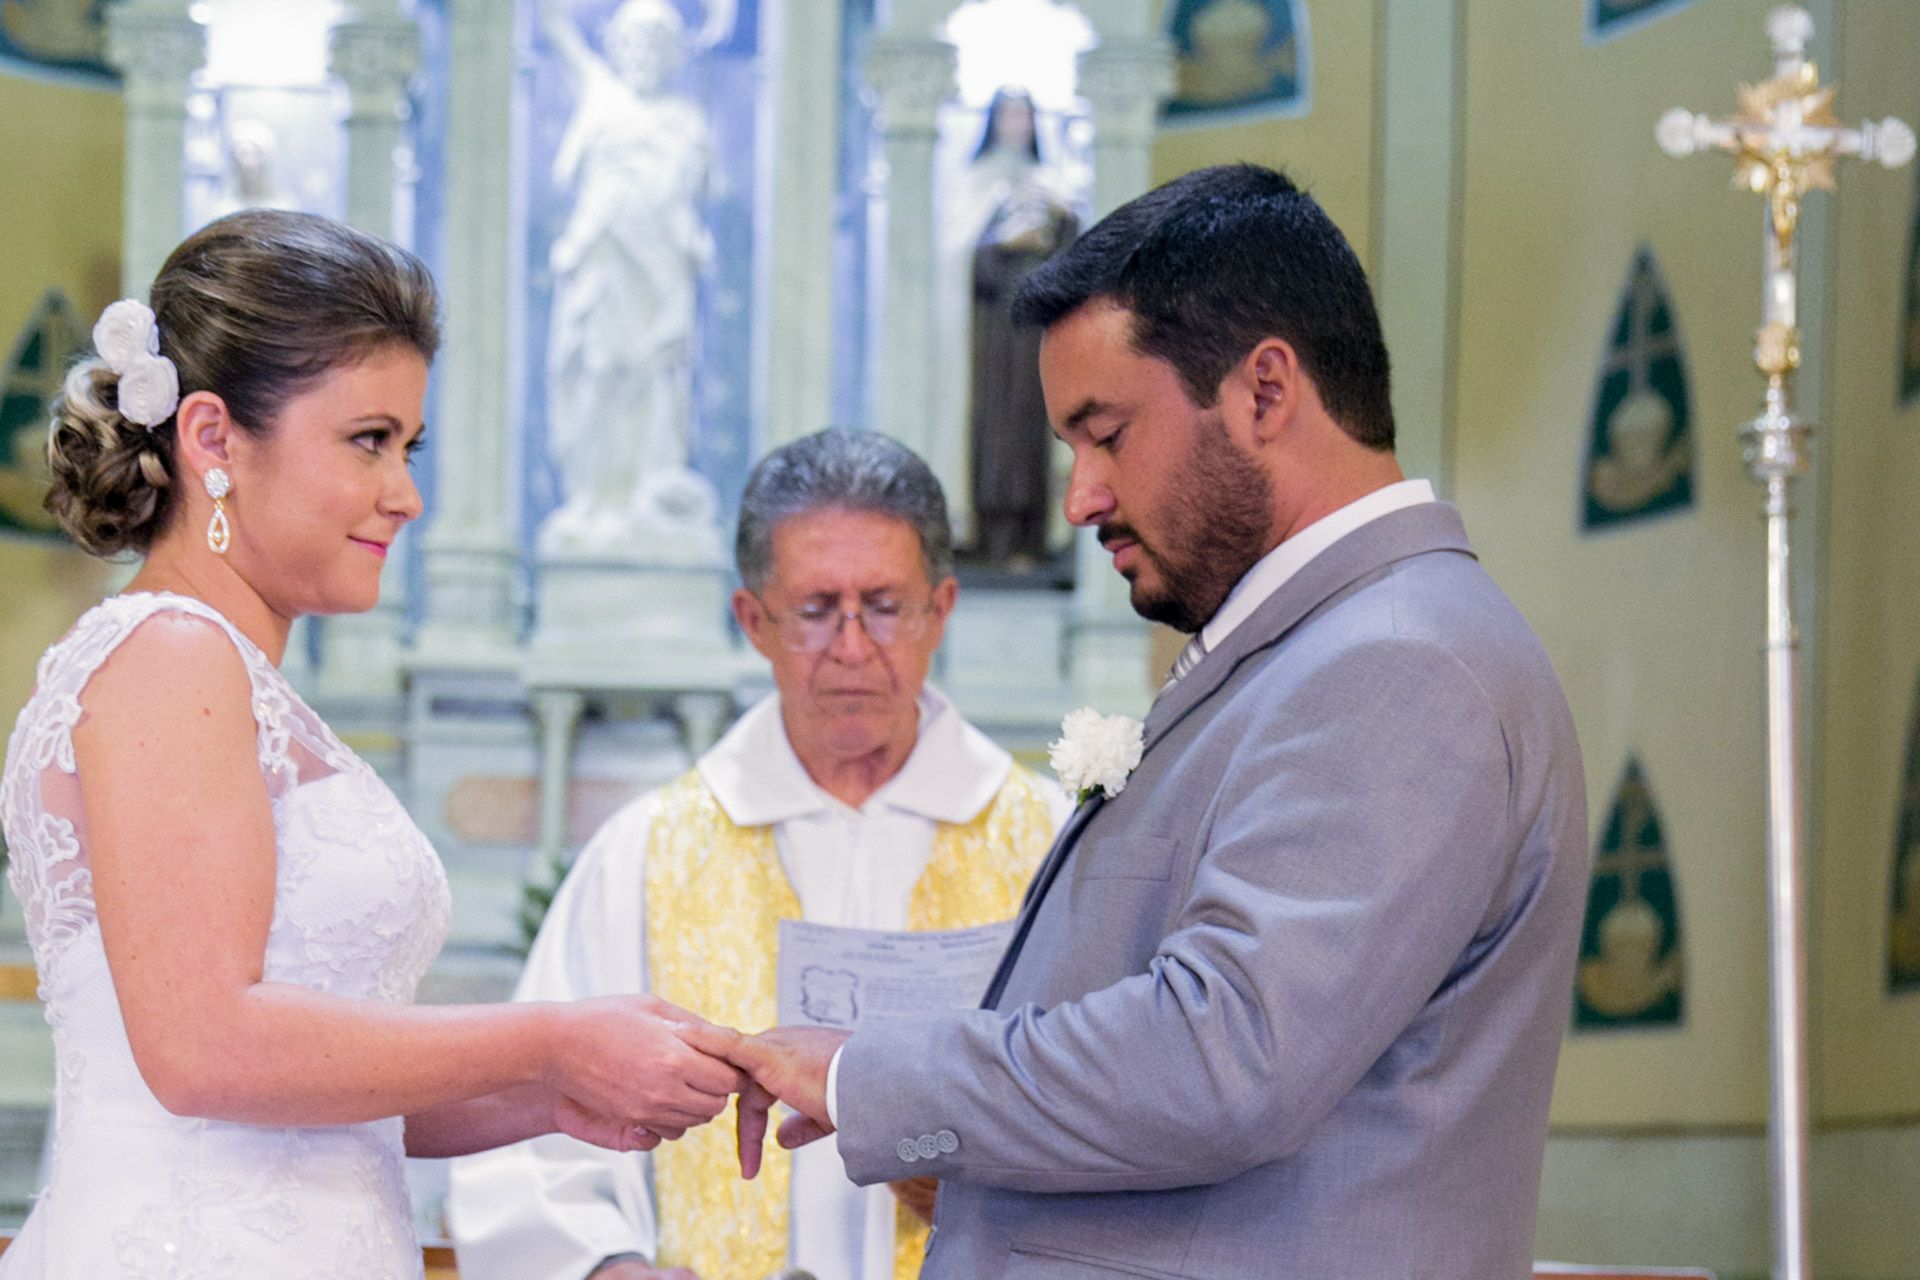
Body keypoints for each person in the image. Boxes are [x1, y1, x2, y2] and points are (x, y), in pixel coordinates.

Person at [720, 165, 1591, 1279]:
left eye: (1107, 434)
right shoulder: (1317, 654)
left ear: (1264, 390)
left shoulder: (1398, 664)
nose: (1079, 497)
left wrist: (864, 1079)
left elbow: (1225, 1056)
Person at [0, 209, 743, 1279]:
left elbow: (315, 1094)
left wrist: (566, 1091)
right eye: (369, 440)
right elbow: (204, 1048)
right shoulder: (171, 653)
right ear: (212, 439)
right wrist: (550, 1038)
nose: (407, 495)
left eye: (409, 446)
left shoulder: (232, 678)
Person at [447, 429, 1068, 1280]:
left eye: (884, 606)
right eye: (815, 610)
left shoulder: (1047, 843)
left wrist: (984, 1178)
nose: (852, 647)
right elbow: (529, 1140)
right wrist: (606, 1268)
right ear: (753, 621)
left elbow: (1118, 1111)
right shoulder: (649, 854)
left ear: (941, 608)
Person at [538, 0, 718, 558]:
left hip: (662, 272)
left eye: (657, 46)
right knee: (596, 374)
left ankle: (648, 497)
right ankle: (594, 499)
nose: (644, 56)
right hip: (602, 262)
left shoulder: (686, 120)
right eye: (634, 44)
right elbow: (554, 26)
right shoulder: (601, 93)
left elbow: (696, 196)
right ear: (616, 47)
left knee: (656, 383)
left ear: (674, 56)